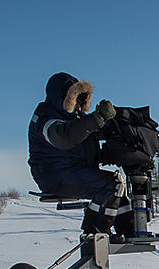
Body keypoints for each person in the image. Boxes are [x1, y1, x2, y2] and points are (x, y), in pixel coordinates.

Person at [28, 72, 133, 237]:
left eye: (82, 102)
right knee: (110, 185)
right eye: (76, 100)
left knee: (118, 185)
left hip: (71, 171)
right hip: (55, 176)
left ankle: (128, 232)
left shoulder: (75, 119)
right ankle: (96, 232)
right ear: (63, 98)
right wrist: (96, 119)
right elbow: (64, 137)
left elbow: (85, 145)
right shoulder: (44, 117)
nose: (78, 107)